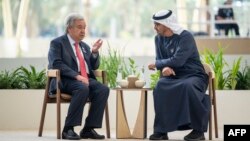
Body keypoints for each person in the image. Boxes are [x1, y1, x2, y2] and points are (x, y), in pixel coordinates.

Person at [148, 10, 210, 141]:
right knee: (160, 86)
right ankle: (161, 131)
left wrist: (157, 64)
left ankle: (198, 131)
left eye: (157, 24)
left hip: (194, 75)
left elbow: (178, 60)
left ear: (167, 24)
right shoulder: (158, 38)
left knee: (188, 86)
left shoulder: (185, 36)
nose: (155, 27)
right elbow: (160, 58)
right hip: (174, 77)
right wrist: (164, 67)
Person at [48, 13, 109, 140]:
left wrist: (94, 52)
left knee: (103, 89)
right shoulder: (57, 43)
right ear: (69, 28)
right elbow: (56, 63)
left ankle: (88, 129)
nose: (83, 31)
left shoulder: (85, 46)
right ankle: (68, 129)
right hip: (64, 80)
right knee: (82, 88)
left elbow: (94, 66)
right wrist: (76, 76)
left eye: (84, 27)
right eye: (79, 27)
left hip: (85, 79)